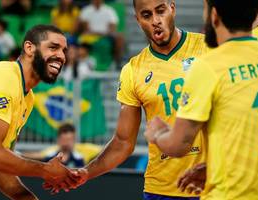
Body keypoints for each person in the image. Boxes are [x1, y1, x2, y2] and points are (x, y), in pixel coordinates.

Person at [56, 0, 209, 199]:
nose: (155, 21)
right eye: (146, 15)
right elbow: (123, 142)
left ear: (173, 8)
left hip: (213, 185)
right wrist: (87, 172)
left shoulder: (207, 48)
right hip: (161, 190)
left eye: (160, 11)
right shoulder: (133, 70)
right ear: (138, 20)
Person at [144, 0, 258, 199]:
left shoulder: (208, 66)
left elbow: (178, 144)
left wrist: (158, 133)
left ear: (214, 16)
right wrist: (214, 166)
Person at [0, 25, 78, 199]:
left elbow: (0, 165)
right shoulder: (4, 78)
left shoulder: (27, 97)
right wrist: (45, 170)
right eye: (53, 47)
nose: (61, 56)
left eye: (64, 51)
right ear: (29, 48)